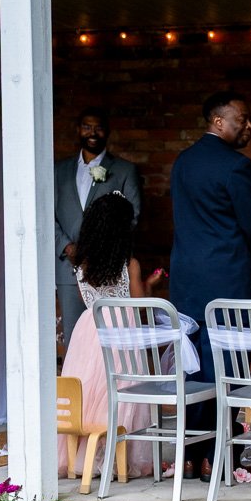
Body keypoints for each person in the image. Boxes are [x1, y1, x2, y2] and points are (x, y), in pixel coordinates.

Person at [169, 90, 251, 478]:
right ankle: (217, 455)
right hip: (227, 279)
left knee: (193, 368)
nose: (248, 126)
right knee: (226, 367)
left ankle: (190, 453)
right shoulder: (236, 166)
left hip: (186, 280)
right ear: (218, 121)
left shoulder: (182, 162)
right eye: (241, 119)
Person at [56, 192, 153, 478]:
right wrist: (151, 284)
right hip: (120, 331)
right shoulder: (129, 265)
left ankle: (82, 457)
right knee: (121, 391)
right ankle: (114, 458)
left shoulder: (82, 265)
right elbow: (139, 305)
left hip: (89, 330)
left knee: (89, 392)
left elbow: (86, 298)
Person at [54, 107, 141, 341]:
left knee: (116, 338)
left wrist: (100, 250)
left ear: (107, 131)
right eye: (87, 127)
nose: (92, 132)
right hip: (69, 267)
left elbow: (132, 216)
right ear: (78, 130)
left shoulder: (124, 170)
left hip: (111, 269)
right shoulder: (58, 170)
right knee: (75, 338)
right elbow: (46, 215)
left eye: (98, 128)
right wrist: (67, 247)